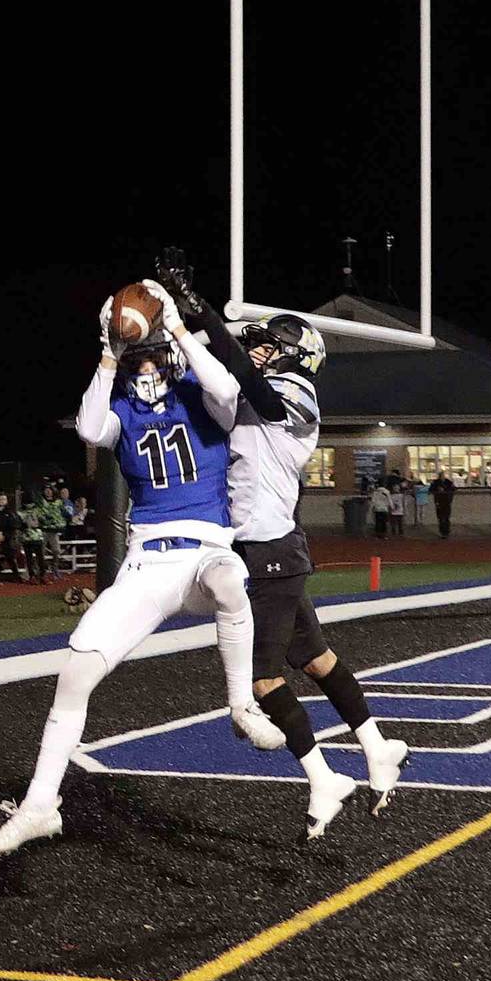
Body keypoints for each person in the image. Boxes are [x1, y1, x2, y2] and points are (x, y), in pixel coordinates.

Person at [0, 280, 283, 856]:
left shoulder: (201, 391)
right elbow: (91, 430)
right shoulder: (117, 407)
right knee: (75, 672)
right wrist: (107, 351)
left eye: (151, 356)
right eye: (135, 358)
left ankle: (241, 704)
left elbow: (227, 381)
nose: (145, 367)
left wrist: (176, 328)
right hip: (147, 564)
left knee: (228, 579)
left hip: (203, 551)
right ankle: (41, 803)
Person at [158, 247, 408, 841]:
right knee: (315, 659)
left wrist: (196, 313)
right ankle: (376, 746)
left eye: (270, 344)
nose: (260, 350)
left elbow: (253, 385)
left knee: (262, 682)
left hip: (268, 554)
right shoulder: (252, 388)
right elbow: (224, 376)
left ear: (294, 356)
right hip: (269, 550)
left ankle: (322, 776)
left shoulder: (292, 392)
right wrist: (180, 336)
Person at [0, 492, 24, 582]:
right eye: (0, 499)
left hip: (6, 538)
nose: (2, 501)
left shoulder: (10, 513)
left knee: (10, 553)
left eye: (4, 499)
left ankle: (16, 575)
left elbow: (13, 527)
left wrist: (5, 536)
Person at [37, 484, 68, 580]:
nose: (48, 491)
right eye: (46, 490)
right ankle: (41, 570)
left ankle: (55, 569)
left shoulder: (58, 502)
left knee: (56, 550)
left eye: (49, 490)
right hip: (43, 530)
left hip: (53, 530)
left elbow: (64, 513)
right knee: (41, 551)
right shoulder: (40, 502)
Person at [17, 489, 47, 584]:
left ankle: (40, 575)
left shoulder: (35, 510)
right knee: (33, 558)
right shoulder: (22, 511)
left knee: (38, 558)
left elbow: (43, 521)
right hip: (29, 537)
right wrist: (26, 525)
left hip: (35, 536)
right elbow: (19, 525)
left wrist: (36, 525)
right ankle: (34, 576)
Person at [428, 468, 455, 538]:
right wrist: (437, 490)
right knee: (440, 518)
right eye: (441, 475)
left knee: (446, 517)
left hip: (447, 501)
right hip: (439, 502)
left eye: (443, 475)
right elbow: (430, 490)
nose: (442, 477)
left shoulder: (448, 482)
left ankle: (446, 531)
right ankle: (442, 532)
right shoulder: (435, 482)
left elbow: (453, 489)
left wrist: (446, 490)